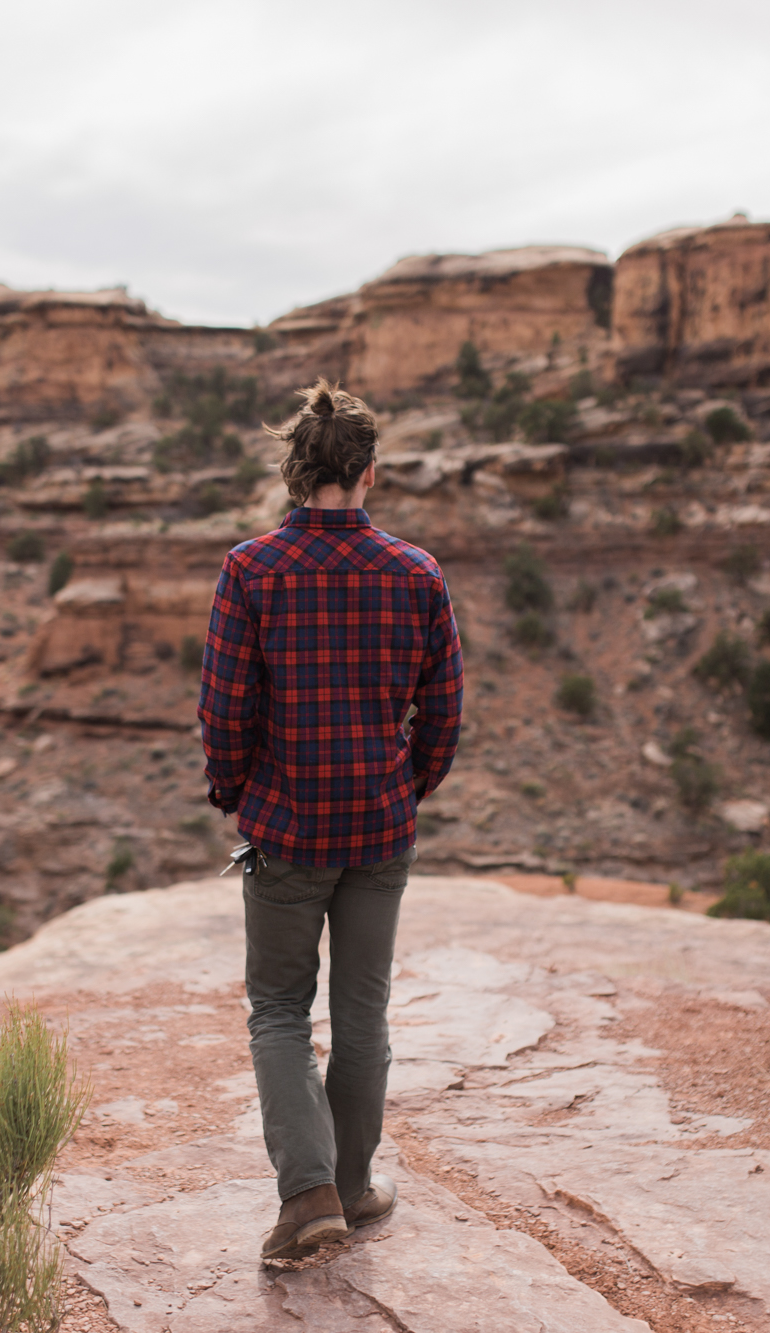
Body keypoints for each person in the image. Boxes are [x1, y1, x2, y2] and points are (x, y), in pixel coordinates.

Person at [197, 379, 464, 1261]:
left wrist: (238, 793)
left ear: (293, 471)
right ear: (370, 474)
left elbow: (225, 707)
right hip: (379, 827)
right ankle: (349, 1187)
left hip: (283, 828)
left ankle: (311, 1193)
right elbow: (444, 710)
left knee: (277, 1007)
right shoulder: (416, 572)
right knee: (364, 1012)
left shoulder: (251, 568)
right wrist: (403, 787)